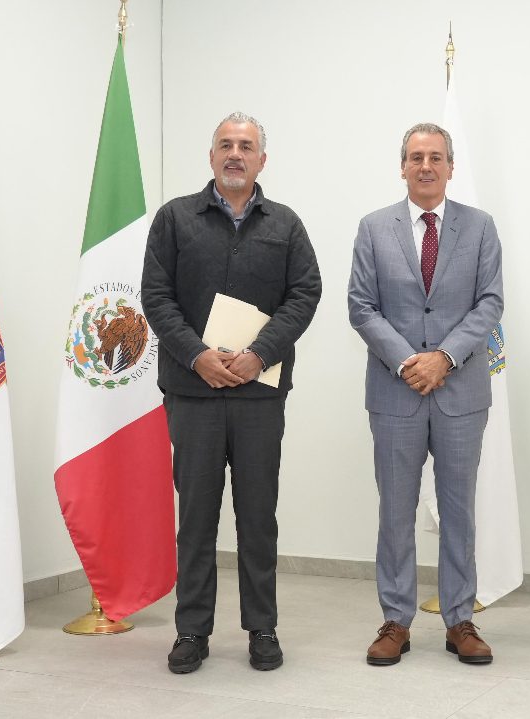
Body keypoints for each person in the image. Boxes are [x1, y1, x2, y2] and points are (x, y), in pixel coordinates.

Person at [141, 111, 322, 674]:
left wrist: (259, 353)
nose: (235, 154)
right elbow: (156, 296)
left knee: (257, 516)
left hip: (258, 396)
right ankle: (191, 630)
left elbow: (304, 294)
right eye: (226, 144)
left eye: (246, 146)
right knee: (196, 517)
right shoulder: (175, 219)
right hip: (192, 393)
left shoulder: (286, 225)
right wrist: (197, 355)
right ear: (211, 156)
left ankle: (262, 628)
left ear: (262, 160)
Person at [348, 122, 503, 666]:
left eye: (436, 157)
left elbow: (489, 302)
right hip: (396, 392)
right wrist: (408, 361)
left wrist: (445, 357)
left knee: (459, 511)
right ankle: (396, 619)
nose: (426, 166)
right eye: (416, 157)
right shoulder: (374, 228)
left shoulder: (480, 226)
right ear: (403, 167)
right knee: (396, 511)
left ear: (451, 167)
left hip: (461, 391)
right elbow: (361, 305)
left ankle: (460, 620)